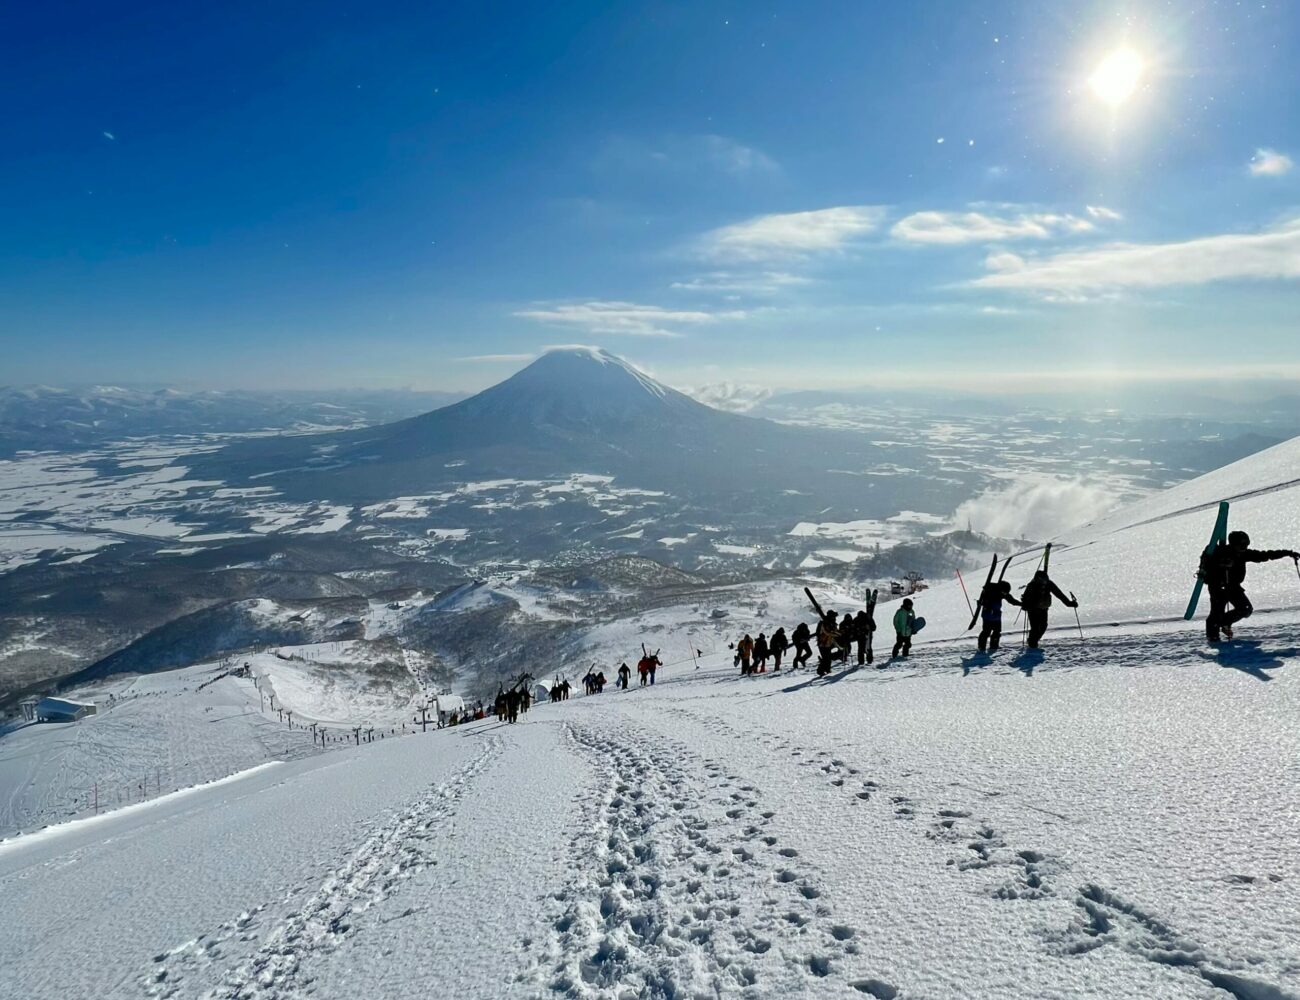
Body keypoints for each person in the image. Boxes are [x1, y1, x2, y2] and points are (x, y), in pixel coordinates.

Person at [1200, 530, 1298, 643]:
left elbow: (1265, 555)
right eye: (1241, 544)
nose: (1244, 547)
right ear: (1233, 543)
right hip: (1218, 587)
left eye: (1246, 544)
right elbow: (1208, 563)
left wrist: (1288, 553)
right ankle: (1213, 637)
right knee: (1216, 613)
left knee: (1245, 609)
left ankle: (1221, 623)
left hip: (1234, 587)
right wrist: (1220, 564)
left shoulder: (1244, 554)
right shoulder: (1219, 552)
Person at [1019, 570, 1077, 648]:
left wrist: (1069, 604)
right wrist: (1025, 605)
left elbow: (1059, 594)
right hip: (1033, 609)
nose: (1043, 581)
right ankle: (1033, 644)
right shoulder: (1032, 585)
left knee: (1043, 626)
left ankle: (1032, 641)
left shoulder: (1049, 584)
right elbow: (1025, 597)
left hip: (1043, 609)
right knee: (1035, 628)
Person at [977, 580, 1021, 652]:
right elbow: (983, 601)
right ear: (1001, 589)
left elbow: (1011, 600)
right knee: (987, 632)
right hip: (988, 615)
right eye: (1004, 592)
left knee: (996, 631)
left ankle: (993, 646)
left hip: (995, 615)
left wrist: (1021, 604)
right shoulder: (990, 591)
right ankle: (982, 647)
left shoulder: (1000, 591)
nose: (1005, 593)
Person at [815, 611, 839, 676]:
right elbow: (827, 632)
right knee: (826, 658)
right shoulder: (824, 623)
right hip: (823, 643)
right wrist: (837, 634)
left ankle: (827, 669)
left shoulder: (832, 623)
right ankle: (820, 670)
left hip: (828, 643)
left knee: (827, 657)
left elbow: (835, 631)